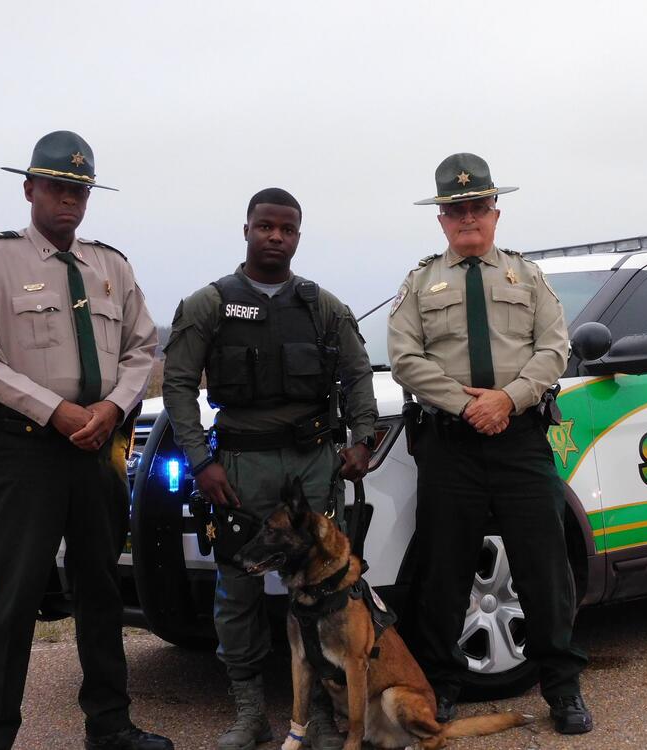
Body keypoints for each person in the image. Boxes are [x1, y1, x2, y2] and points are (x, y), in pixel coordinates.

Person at [0, 131, 170, 750]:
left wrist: (111, 406)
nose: (68, 200)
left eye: (79, 189)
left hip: (99, 446)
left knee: (100, 588)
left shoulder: (111, 266)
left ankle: (110, 725)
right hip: (25, 451)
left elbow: (141, 347)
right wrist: (56, 412)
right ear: (30, 189)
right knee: (15, 596)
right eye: (56, 187)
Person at [162, 187, 378, 750]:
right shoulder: (208, 304)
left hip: (313, 465)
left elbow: (358, 375)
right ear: (247, 229)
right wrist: (200, 460)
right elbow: (179, 385)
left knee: (326, 590)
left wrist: (362, 441)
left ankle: (327, 714)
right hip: (240, 467)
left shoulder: (323, 306)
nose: (275, 237)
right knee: (238, 590)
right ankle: (250, 711)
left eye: (286, 229)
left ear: (297, 236)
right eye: (265, 227)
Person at [387, 153, 592, 734]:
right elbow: (405, 357)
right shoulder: (420, 281)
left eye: (477, 207)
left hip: (520, 441)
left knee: (544, 568)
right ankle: (442, 686)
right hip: (450, 446)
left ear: (495, 212)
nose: (467, 218)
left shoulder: (527, 277)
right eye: (456, 210)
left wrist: (508, 400)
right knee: (442, 572)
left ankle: (563, 686)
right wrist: (468, 405)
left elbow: (555, 348)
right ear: (442, 220)